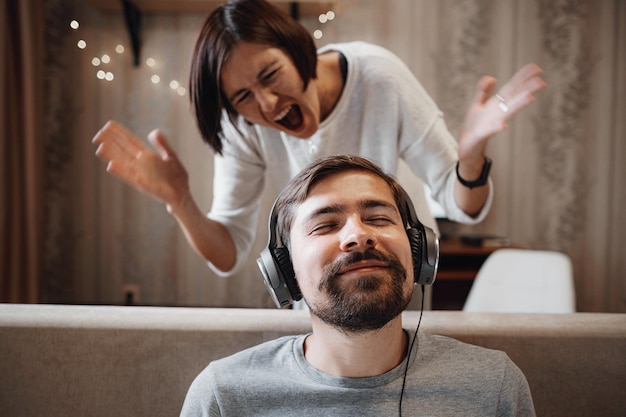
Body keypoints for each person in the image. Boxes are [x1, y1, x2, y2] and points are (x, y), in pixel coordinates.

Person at [92, 0, 546, 278]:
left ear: (297, 48)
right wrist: (179, 201)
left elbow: (462, 202)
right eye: (244, 97)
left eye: (270, 75)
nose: (267, 104)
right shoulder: (242, 125)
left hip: (393, 273)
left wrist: (470, 156)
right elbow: (227, 252)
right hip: (319, 286)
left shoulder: (379, 78)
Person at [179, 155, 536, 416]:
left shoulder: (494, 386)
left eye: (378, 218)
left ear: (419, 253)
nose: (358, 236)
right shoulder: (223, 398)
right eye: (325, 225)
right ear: (285, 272)